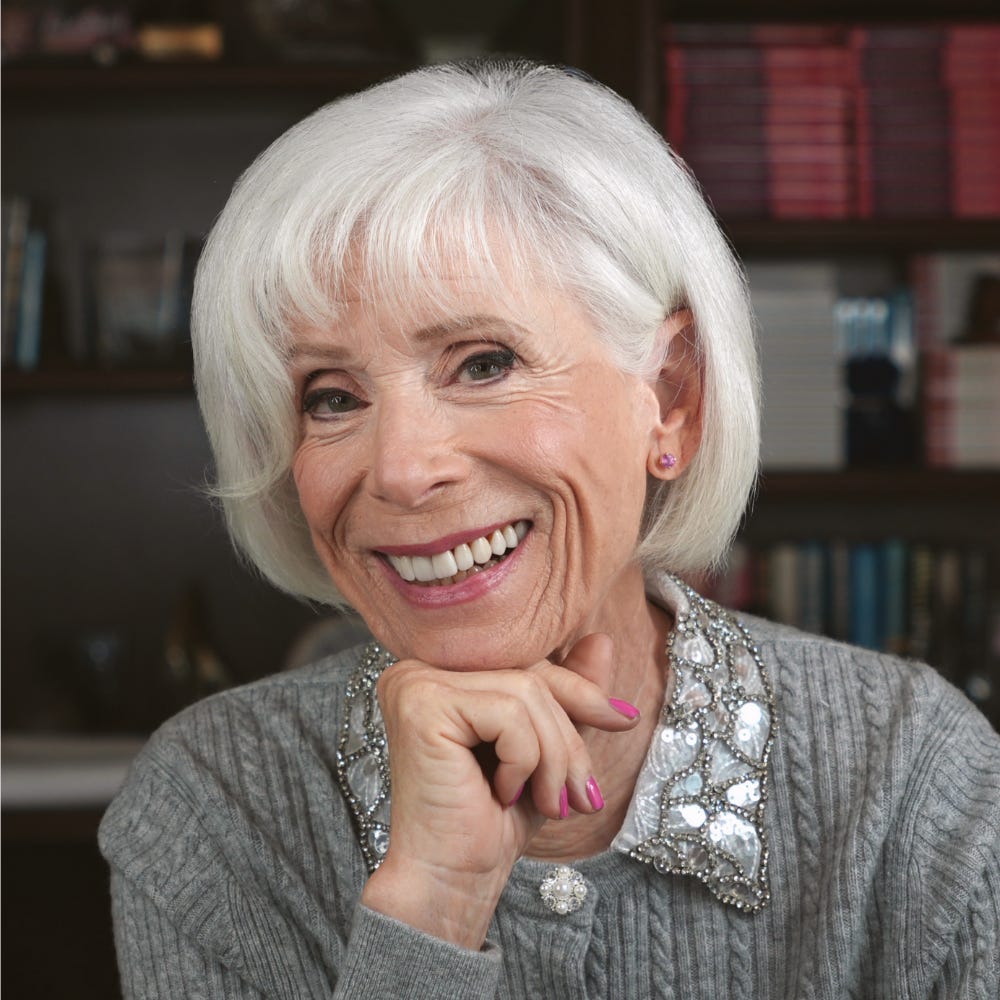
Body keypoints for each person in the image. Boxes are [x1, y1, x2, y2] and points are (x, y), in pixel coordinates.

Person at [99, 59, 1000, 999]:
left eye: (483, 363)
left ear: (672, 397)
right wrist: (434, 905)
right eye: (331, 397)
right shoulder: (213, 803)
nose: (402, 469)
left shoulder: (911, 774)